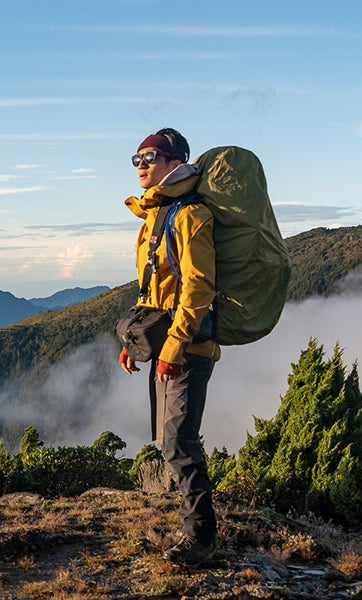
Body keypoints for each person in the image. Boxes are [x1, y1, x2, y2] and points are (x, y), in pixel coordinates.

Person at [119, 128, 220, 566]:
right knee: (168, 440)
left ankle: (202, 538)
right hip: (163, 346)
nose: (141, 165)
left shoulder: (189, 216)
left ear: (175, 161)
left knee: (179, 440)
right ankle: (191, 526)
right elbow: (152, 289)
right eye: (136, 158)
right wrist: (133, 341)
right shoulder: (156, 215)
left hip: (188, 348)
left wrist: (173, 348)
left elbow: (198, 287)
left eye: (150, 157)